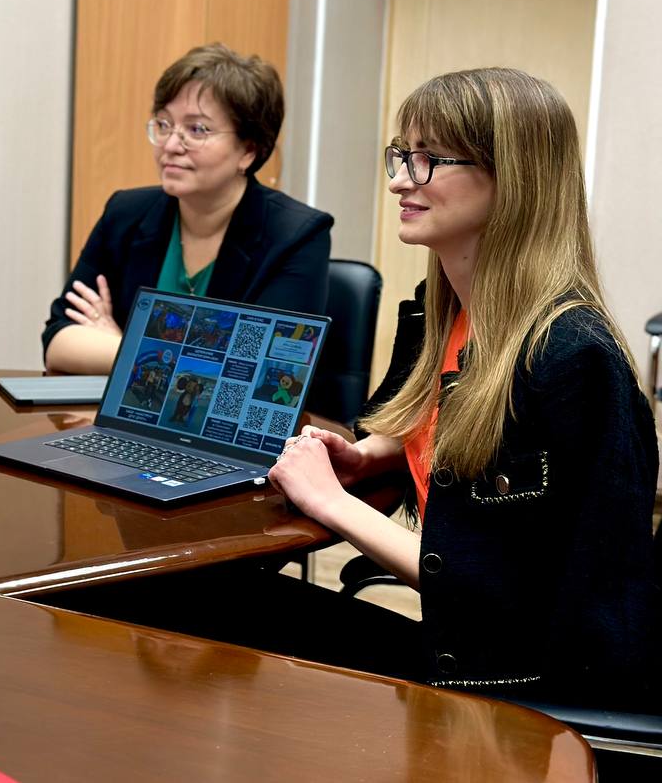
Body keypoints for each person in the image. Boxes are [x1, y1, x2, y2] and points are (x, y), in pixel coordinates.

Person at [270, 67, 658, 707]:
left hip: (520, 697)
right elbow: (456, 437)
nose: (400, 180)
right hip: (459, 651)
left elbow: (497, 590)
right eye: (402, 155)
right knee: (203, 607)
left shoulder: (573, 359)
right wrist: (373, 454)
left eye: (429, 160)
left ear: (514, 178)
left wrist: (333, 502)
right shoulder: (442, 307)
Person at [42, 43, 332, 374]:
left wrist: (126, 346)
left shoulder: (295, 236)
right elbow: (58, 341)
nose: (170, 145)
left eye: (197, 129)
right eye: (164, 124)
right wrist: (137, 351)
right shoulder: (126, 214)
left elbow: (262, 371)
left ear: (248, 151)